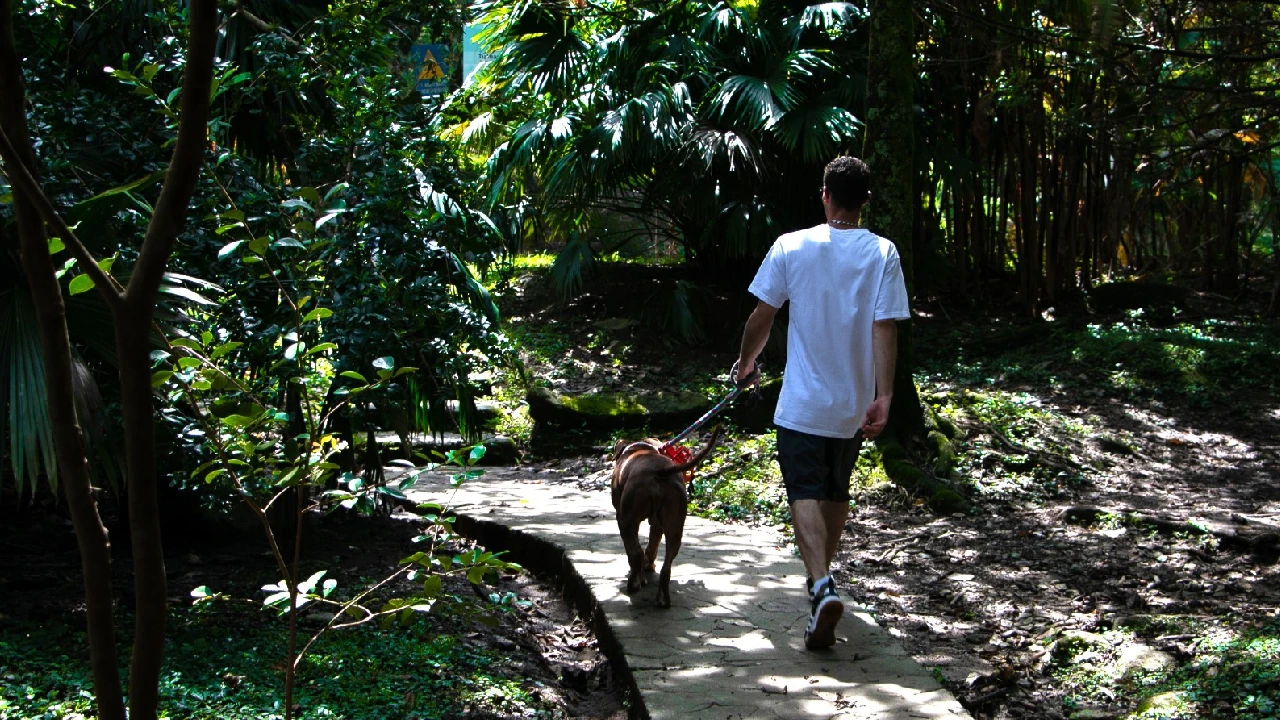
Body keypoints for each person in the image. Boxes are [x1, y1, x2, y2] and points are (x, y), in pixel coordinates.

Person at [733, 156, 910, 650]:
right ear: (864, 200)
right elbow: (885, 326)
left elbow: (762, 315)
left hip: (803, 404)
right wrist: (885, 395)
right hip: (851, 405)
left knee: (803, 490)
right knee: (835, 491)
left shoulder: (792, 245)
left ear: (825, 194)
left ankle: (820, 584)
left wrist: (746, 363)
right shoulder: (882, 253)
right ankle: (821, 590)